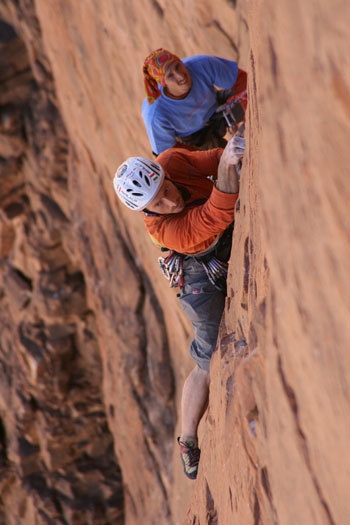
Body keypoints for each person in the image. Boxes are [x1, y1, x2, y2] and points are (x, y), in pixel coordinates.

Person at [113, 130, 245, 480]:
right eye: (157, 203)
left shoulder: (171, 160)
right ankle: (188, 438)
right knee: (209, 352)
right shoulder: (163, 230)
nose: (169, 202)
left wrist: (232, 152)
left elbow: (214, 158)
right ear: (146, 210)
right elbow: (213, 217)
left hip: (220, 234)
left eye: (166, 190)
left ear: (164, 174)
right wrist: (231, 165)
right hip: (196, 270)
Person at [141, 48, 247, 156]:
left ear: (181, 61)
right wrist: (203, 160)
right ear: (163, 83)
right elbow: (167, 155)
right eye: (170, 75)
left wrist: (249, 111)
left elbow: (242, 80)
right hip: (192, 138)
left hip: (217, 107)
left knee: (250, 96)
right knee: (225, 164)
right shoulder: (155, 114)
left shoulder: (201, 64)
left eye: (177, 66)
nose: (180, 76)